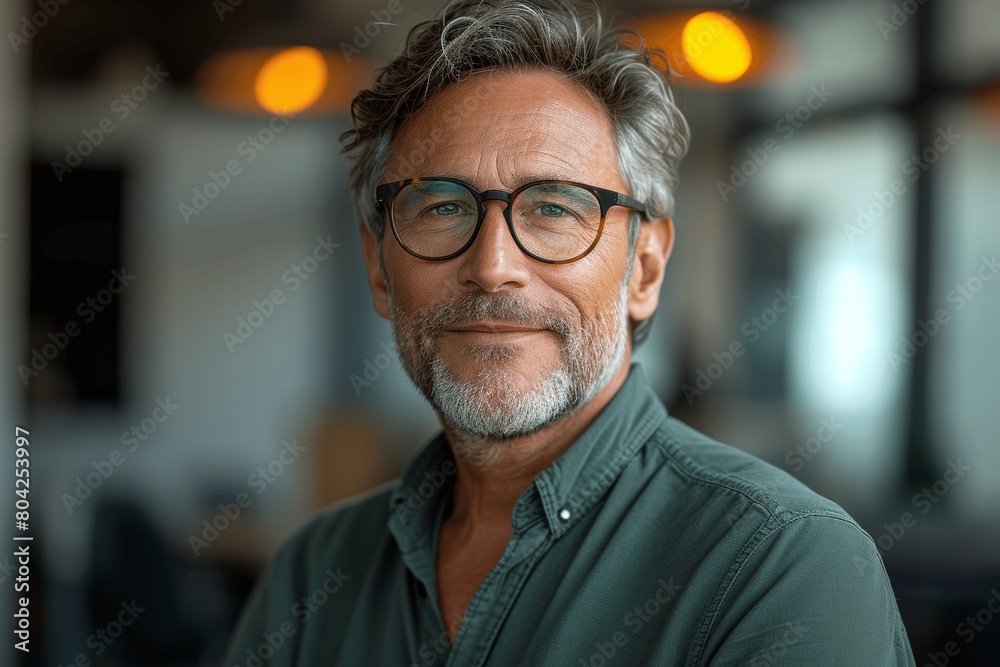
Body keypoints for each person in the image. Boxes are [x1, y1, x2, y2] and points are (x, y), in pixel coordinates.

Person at [222, 1, 917, 664]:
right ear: (378, 268)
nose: (493, 267)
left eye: (554, 207)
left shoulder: (782, 567)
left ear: (643, 269)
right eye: (441, 205)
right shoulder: (315, 573)